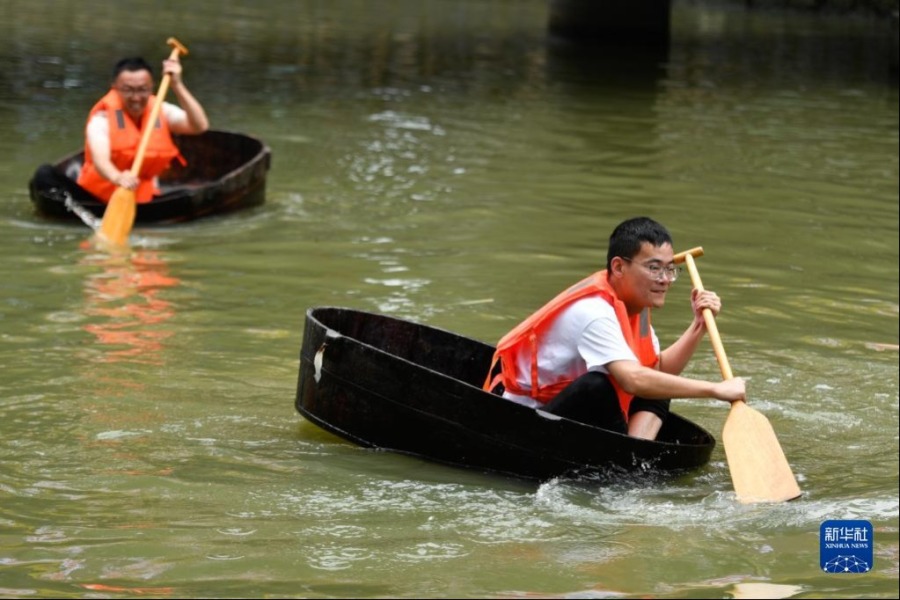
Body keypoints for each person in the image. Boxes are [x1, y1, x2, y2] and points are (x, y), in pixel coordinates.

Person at [483, 216, 746, 441]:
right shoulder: (594, 312)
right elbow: (632, 379)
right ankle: (628, 467)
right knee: (599, 386)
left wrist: (698, 326)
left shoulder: (636, 308)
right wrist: (714, 390)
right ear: (619, 267)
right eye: (654, 268)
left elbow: (659, 370)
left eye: (669, 270)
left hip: (579, 414)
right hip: (529, 419)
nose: (665, 280)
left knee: (661, 384)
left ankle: (636, 455)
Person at [31, 55, 209, 206]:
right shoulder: (102, 120)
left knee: (189, 193)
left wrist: (177, 85)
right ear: (114, 88)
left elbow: (200, 125)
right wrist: (117, 178)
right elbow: (101, 162)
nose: (136, 98)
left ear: (152, 87)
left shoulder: (160, 109)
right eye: (128, 90)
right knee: (44, 175)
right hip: (97, 199)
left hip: (142, 199)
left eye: (142, 90)